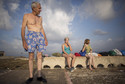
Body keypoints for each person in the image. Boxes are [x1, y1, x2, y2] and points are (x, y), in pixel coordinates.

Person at [21, 1, 48, 83]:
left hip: (40, 36)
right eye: (39, 8)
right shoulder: (26, 16)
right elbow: (23, 28)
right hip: (30, 36)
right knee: (31, 56)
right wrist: (23, 41)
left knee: (39, 55)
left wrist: (45, 38)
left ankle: (39, 76)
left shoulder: (40, 18)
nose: (41, 10)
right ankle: (31, 76)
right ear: (34, 8)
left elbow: (41, 28)